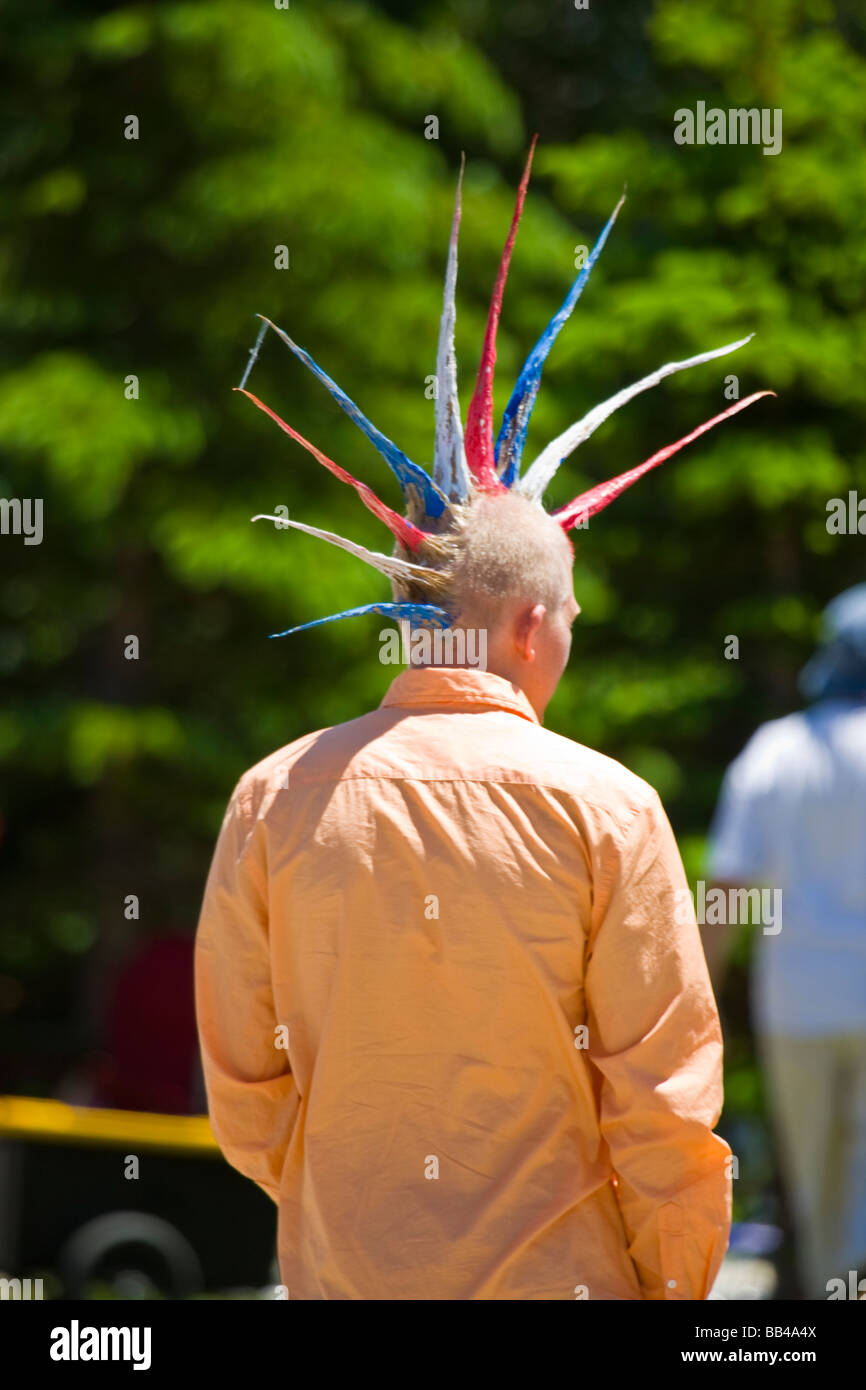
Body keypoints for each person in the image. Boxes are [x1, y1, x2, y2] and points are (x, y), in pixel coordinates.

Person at [195, 142, 766, 1300]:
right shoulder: (607, 805)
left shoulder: (273, 795)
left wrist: (347, 1217)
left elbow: (243, 1088)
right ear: (521, 629)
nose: (566, 643)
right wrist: (669, 1286)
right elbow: (663, 1104)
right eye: (565, 619)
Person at [706, 583, 866, 1300]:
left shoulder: (776, 750)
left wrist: (699, 1006)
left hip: (796, 1003)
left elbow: (726, 889)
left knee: (817, 1187)